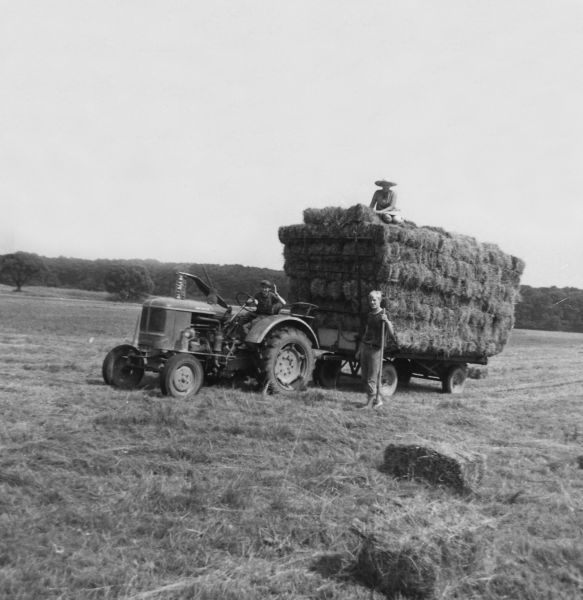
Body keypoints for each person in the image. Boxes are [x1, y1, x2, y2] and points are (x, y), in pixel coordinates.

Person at [358, 290, 395, 408]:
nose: (372, 302)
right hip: (366, 347)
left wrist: (387, 321)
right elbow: (366, 333)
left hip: (376, 350)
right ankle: (378, 400)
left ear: (380, 301)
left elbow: (391, 332)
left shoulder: (383, 314)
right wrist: (360, 349)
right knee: (364, 377)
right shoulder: (369, 315)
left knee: (371, 378)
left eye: (375, 300)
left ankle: (369, 403)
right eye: (370, 300)